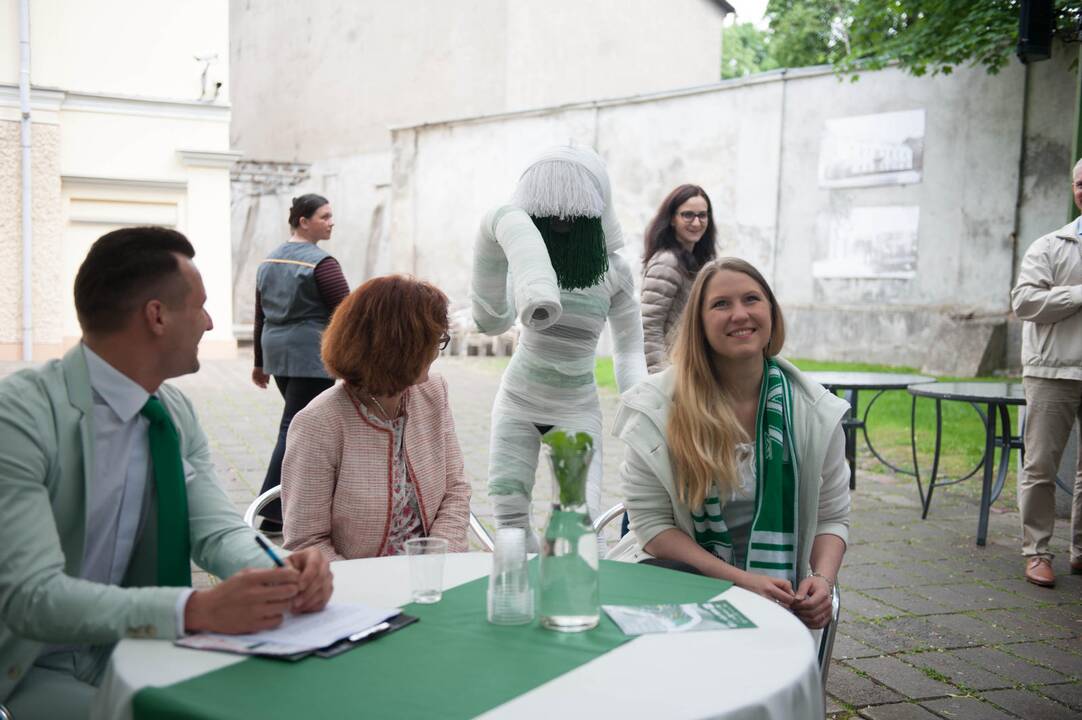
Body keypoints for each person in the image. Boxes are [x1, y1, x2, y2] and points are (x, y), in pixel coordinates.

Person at [0, 227, 333, 719]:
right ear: (156, 316)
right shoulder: (21, 416)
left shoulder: (171, 412)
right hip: (33, 668)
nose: (209, 321)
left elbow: (217, 531)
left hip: (143, 646)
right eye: (200, 306)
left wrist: (282, 573)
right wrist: (194, 610)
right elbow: (32, 596)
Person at [608, 257, 849, 629]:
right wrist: (740, 581)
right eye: (721, 304)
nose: (740, 314)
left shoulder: (814, 411)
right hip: (673, 583)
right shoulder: (656, 408)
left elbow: (832, 516)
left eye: (752, 299)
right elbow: (652, 527)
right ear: (699, 324)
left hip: (780, 592)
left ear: (771, 312)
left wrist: (822, 580)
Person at [470, 145, 647, 551]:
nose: (562, 217)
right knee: (509, 512)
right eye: (550, 206)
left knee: (577, 515)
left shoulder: (614, 272)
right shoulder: (526, 259)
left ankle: (570, 593)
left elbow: (628, 349)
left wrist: (641, 402)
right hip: (517, 399)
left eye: (573, 207)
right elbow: (492, 317)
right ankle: (520, 588)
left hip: (576, 406)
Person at [281, 276, 471, 560]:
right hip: (358, 587)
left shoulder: (432, 392)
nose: (437, 350)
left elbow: (455, 489)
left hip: (433, 578)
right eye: (433, 339)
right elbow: (306, 541)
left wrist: (436, 561)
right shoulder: (319, 423)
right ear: (398, 347)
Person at [252, 194, 350, 533]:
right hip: (311, 355)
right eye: (325, 216)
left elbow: (260, 314)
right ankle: (272, 509)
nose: (331, 221)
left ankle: (303, 500)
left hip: (278, 353)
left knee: (300, 426)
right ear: (304, 221)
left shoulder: (270, 260)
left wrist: (260, 362)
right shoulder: (321, 264)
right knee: (295, 427)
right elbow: (347, 312)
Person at [1009, 158, 1082, 588]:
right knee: (1039, 466)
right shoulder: (1049, 247)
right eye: (1079, 183)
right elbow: (1025, 303)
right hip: (1052, 371)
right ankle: (1036, 552)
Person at [641, 184, 718, 374]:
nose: (697, 222)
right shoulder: (666, 263)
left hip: (690, 367)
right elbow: (650, 329)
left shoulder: (699, 261)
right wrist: (661, 378)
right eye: (688, 215)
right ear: (672, 219)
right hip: (673, 371)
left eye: (702, 215)